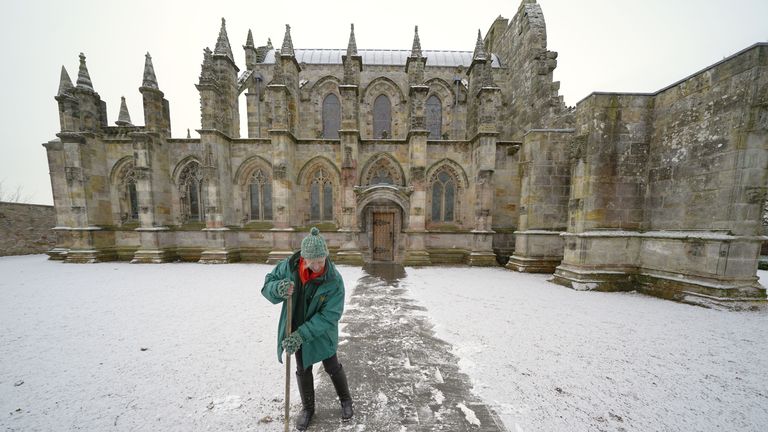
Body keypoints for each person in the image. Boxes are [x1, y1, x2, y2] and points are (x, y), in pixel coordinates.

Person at [261, 227, 354, 430]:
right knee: (303, 368)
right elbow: (267, 284)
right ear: (304, 258)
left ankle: (346, 400)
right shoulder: (289, 267)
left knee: (332, 365)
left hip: (321, 332)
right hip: (295, 328)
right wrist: (278, 288)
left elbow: (330, 315)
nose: (319, 265)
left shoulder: (334, 280)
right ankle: (308, 409)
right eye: (314, 261)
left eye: (322, 260)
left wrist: (301, 335)